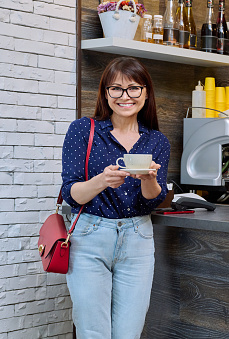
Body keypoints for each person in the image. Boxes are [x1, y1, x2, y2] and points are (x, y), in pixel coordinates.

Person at [61, 57, 171, 338]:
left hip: (138, 240)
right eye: (116, 89)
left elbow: (151, 201)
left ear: (146, 93)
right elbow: (71, 193)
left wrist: (149, 181)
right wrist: (101, 181)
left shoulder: (156, 141)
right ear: (105, 93)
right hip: (89, 237)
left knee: (128, 333)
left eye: (134, 88)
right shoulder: (83, 131)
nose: (125, 96)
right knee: (93, 331)